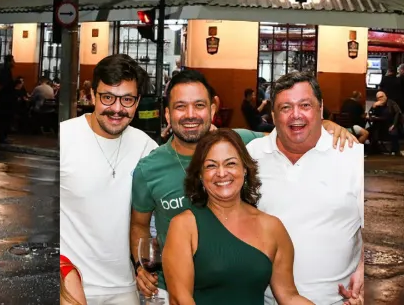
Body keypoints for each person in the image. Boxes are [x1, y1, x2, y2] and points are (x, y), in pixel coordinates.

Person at [131, 70, 357, 303]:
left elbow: (290, 130)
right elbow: (139, 225)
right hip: (170, 288)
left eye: (199, 105)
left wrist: (324, 124)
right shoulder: (150, 170)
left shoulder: (242, 142)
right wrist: (141, 265)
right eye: (180, 106)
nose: (221, 173)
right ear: (167, 114)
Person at [246, 72, 365, 305]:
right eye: (285, 107)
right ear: (273, 115)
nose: (296, 115)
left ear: (320, 109)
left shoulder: (353, 157)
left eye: (305, 105)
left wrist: (364, 269)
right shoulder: (251, 155)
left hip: (337, 301)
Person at [162, 130, 317, 305]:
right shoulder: (184, 225)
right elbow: (180, 299)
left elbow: (288, 296)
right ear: (200, 175)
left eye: (230, 163)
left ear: (244, 168)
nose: (221, 173)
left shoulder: (272, 227)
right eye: (211, 166)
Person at [61, 54, 158, 305]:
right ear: (92, 95)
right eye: (107, 97)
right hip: (72, 285)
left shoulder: (146, 148)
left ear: (137, 102)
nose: (117, 109)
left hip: (125, 287)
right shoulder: (65, 138)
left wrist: (142, 264)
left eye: (127, 99)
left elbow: (152, 221)